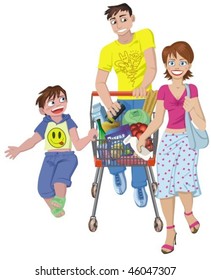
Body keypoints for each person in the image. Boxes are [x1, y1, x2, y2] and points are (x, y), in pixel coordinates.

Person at [137, 41, 206, 253]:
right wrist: (143, 136)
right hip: (168, 140)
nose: (177, 65)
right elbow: (157, 121)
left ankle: (188, 212)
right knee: (166, 186)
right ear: (166, 65)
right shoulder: (163, 91)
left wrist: (192, 108)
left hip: (188, 141)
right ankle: (170, 231)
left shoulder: (192, 89)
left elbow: (202, 125)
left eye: (182, 61)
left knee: (184, 182)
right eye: (172, 61)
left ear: (189, 65)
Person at [95, 3, 157, 207]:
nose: (119, 24)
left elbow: (152, 66)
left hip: (142, 100)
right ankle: (116, 171)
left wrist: (143, 85)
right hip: (121, 100)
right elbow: (100, 82)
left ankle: (139, 184)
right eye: (114, 21)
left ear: (132, 18)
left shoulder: (145, 36)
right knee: (113, 135)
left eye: (123, 18)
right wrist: (109, 102)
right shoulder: (108, 50)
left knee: (139, 141)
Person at [5, 85, 97, 218]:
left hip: (67, 157)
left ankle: (60, 200)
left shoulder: (69, 122)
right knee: (43, 188)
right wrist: (19, 149)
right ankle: (54, 208)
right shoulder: (45, 124)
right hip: (49, 158)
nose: (58, 104)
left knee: (59, 181)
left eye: (62, 99)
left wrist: (89, 137)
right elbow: (33, 140)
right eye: (52, 102)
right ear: (43, 111)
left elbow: (77, 145)